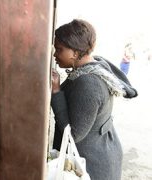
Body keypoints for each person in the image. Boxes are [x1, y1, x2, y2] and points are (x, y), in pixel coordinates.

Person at [51, 19, 137, 180]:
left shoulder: (88, 83)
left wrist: (56, 91)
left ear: (75, 53)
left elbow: (74, 134)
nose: (55, 54)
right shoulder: (94, 65)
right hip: (102, 149)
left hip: (92, 165)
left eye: (59, 49)